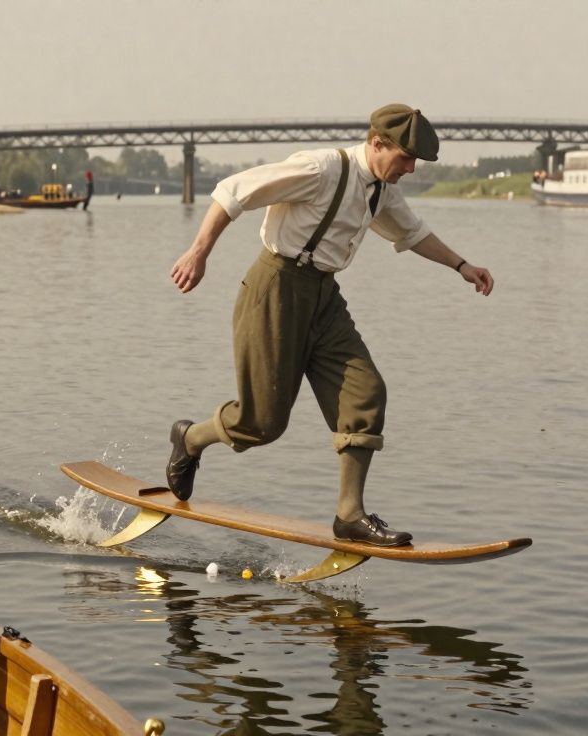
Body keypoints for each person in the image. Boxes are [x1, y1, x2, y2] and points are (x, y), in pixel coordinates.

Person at [165, 104, 494, 547]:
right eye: (405, 157)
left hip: (324, 298)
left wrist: (462, 265)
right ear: (377, 143)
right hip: (275, 288)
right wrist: (198, 252)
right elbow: (233, 191)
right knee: (262, 423)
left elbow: (411, 232)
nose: (411, 168)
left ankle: (350, 515)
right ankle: (191, 439)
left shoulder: (381, 188)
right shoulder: (320, 169)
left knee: (366, 392)